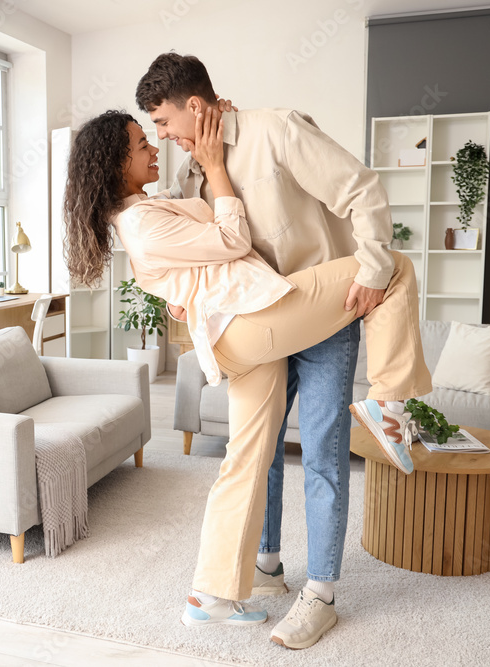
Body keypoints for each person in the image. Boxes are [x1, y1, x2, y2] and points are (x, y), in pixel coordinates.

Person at [62, 108, 432, 649]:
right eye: (143, 142)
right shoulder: (142, 222)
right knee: (391, 265)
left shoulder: (146, 207)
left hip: (238, 330)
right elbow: (234, 238)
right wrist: (215, 166)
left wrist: (212, 152)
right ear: (115, 163)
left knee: (247, 457)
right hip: (253, 322)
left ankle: (210, 596)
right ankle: (391, 402)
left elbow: (197, 261)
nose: (155, 146)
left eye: (157, 131)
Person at [134, 52, 398, 647]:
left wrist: (377, 267)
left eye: (164, 123)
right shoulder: (189, 176)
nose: (163, 138)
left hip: (325, 316)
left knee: (325, 453)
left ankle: (322, 593)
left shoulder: (277, 130)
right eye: (153, 130)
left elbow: (361, 188)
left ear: (195, 106)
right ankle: (269, 564)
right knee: (262, 449)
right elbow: (201, 250)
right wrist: (185, 298)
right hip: (258, 325)